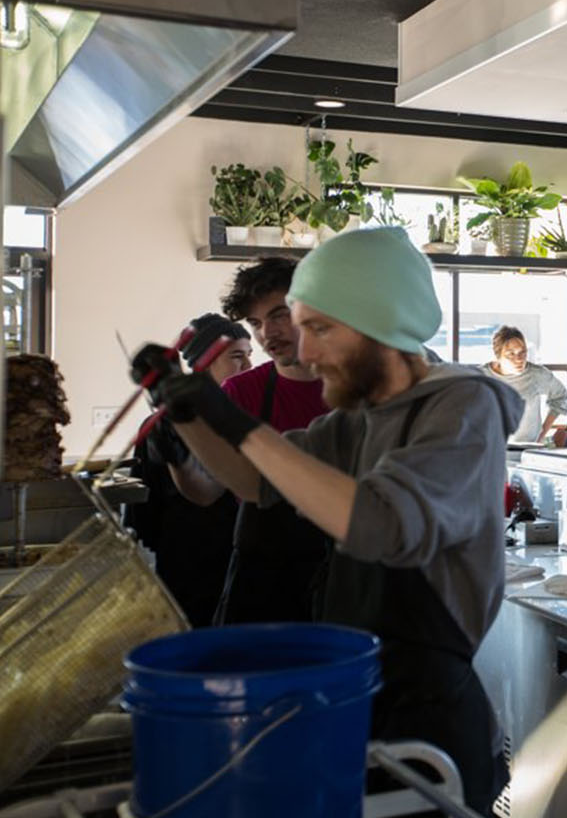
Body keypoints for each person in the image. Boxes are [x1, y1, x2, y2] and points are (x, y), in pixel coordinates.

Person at [130, 228, 520, 811]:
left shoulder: (461, 405)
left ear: (377, 325)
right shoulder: (360, 418)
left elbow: (383, 525)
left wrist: (236, 423)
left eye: (319, 328)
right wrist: (183, 411)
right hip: (357, 697)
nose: (302, 352)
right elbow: (256, 483)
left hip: (430, 717)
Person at [170, 257, 334, 624]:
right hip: (263, 577)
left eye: (279, 315)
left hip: (345, 569)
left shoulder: (350, 387)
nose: (267, 334)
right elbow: (207, 490)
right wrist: (176, 452)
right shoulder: (241, 391)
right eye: (256, 323)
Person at [126, 314, 252, 627]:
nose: (248, 366)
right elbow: (144, 511)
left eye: (250, 356)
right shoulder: (162, 423)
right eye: (237, 357)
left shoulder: (241, 415)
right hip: (183, 561)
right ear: (203, 363)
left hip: (235, 556)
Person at [487, 325, 567, 442]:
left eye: (522, 352)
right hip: (492, 451)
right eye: (511, 354)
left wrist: (542, 432)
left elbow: (561, 397)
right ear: (498, 355)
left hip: (528, 451)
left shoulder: (537, 374)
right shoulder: (482, 376)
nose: (519, 359)